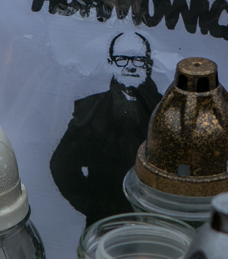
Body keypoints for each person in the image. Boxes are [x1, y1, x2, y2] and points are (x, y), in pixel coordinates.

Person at [50, 32, 162, 226]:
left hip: (157, 224)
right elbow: (62, 165)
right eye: (121, 60)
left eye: (138, 60)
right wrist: (95, 206)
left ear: (149, 65)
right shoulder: (92, 108)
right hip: (105, 226)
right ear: (110, 64)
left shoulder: (167, 108)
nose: (130, 66)